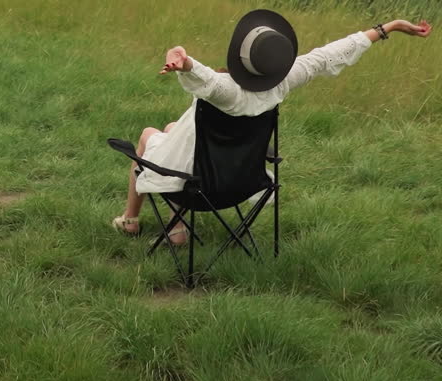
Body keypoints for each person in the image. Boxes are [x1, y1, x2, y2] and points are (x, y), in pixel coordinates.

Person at [112, 13, 432, 238]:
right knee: (172, 129)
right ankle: (178, 227)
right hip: (241, 182)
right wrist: (389, 27)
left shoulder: (226, 90)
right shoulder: (281, 85)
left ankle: (130, 220)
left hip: (200, 186)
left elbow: (207, 78)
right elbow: (328, 55)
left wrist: (186, 61)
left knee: (148, 136)